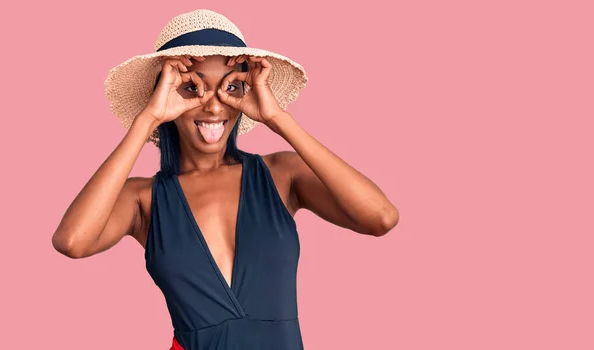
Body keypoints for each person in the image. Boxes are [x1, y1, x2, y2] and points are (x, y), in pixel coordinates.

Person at [51, 9, 399, 350]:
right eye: (192, 88)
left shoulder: (281, 175)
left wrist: (278, 118)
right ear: (165, 93)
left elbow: (381, 217)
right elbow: (73, 242)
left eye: (231, 87)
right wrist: (147, 120)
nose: (215, 106)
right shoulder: (143, 200)